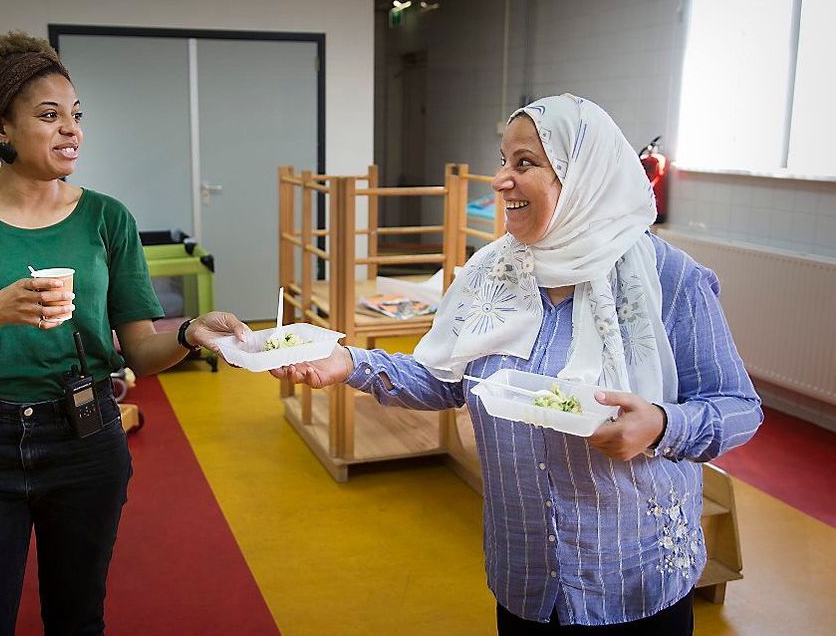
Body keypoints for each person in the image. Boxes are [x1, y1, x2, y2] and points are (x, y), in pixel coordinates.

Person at [273, 94, 763, 634]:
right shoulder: (493, 274)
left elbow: (737, 407)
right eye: (503, 161)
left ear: (583, 176)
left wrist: (662, 425)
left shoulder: (669, 280)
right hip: (526, 577)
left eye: (524, 163)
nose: (501, 180)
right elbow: (443, 381)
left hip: (631, 579)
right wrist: (347, 361)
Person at [0, 31, 248, 635]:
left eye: (76, 115)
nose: (72, 130)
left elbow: (137, 347)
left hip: (85, 436)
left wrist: (192, 332)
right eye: (48, 115)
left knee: (77, 617)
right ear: (0, 128)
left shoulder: (107, 218)